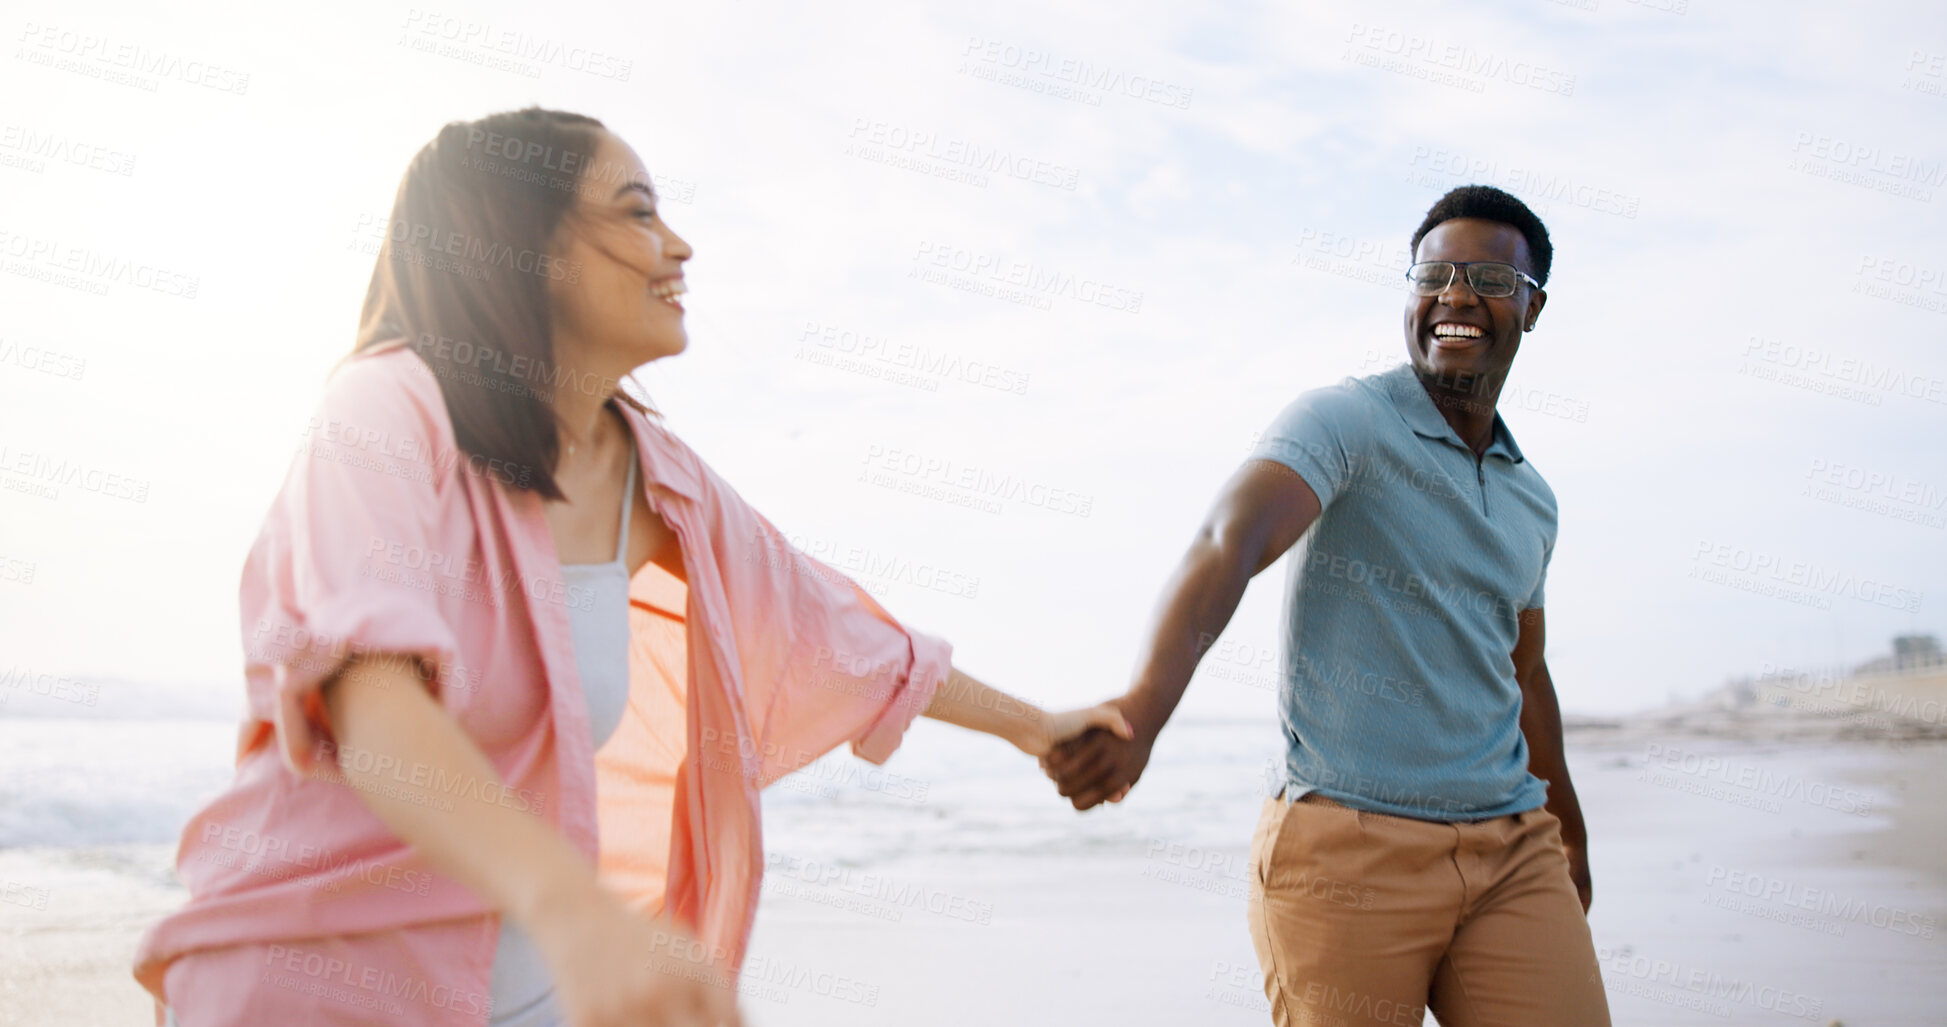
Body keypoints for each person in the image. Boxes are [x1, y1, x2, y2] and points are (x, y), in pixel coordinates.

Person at [133, 107, 1130, 1027]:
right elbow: (370, 698)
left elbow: (841, 632)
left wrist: (1036, 727)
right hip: (306, 984)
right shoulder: (386, 408)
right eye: (639, 213)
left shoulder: (659, 480)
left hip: (529, 989)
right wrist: (574, 906)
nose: (680, 246)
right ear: (523, 247)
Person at [1042, 185, 1612, 1025]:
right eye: (1434, 273)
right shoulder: (1344, 421)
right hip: (1345, 850)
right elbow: (1225, 544)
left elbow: (1523, 672)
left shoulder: (1533, 497)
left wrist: (1570, 827)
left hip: (1511, 850)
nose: (1456, 293)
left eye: (1489, 277)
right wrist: (1144, 710)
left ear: (1531, 308)